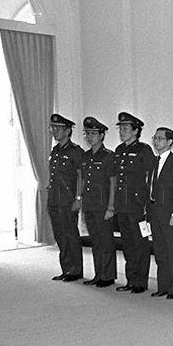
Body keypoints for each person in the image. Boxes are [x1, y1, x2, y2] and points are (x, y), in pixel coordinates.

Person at [113, 112, 155, 294]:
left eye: (125, 128)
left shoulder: (144, 150)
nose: (122, 131)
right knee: (128, 244)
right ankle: (131, 279)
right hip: (122, 204)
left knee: (140, 244)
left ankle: (140, 282)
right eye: (120, 128)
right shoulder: (119, 150)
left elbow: (150, 178)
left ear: (136, 130)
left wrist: (147, 203)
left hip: (138, 205)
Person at [147, 127, 173, 299]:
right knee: (160, 252)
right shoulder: (153, 161)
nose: (156, 141)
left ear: (169, 142)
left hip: (170, 214)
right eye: (155, 138)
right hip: (155, 213)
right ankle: (162, 286)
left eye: (160, 138)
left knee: (172, 252)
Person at [79, 117, 117, 288]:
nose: (90, 136)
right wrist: (81, 201)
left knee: (106, 241)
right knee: (96, 241)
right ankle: (98, 273)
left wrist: (111, 206)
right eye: (87, 133)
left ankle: (107, 276)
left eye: (93, 133)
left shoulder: (108, 156)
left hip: (103, 205)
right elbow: (83, 181)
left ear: (102, 135)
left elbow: (113, 183)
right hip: (89, 205)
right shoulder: (86, 156)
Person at [47, 113, 84, 282]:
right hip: (54, 199)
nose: (54, 131)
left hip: (68, 200)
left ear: (68, 131)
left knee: (70, 234)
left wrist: (78, 198)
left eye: (58, 128)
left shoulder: (75, 151)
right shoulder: (55, 151)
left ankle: (75, 270)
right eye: (53, 128)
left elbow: (81, 176)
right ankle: (66, 268)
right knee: (60, 235)